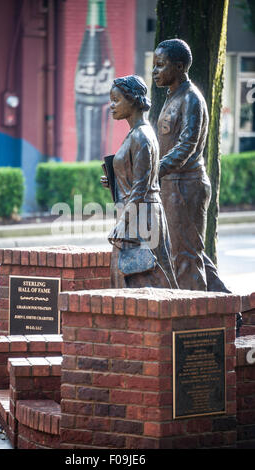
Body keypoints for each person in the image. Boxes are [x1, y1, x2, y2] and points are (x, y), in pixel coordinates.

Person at [153, 39, 242, 333]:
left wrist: (155, 170)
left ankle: (197, 330)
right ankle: (230, 310)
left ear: (179, 67)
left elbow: (187, 146)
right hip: (172, 184)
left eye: (161, 64)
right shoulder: (172, 96)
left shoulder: (191, 98)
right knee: (192, 253)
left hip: (185, 185)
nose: (155, 70)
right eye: (155, 64)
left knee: (185, 258)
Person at [100, 74, 178, 290]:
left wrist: (123, 223)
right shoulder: (136, 133)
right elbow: (138, 178)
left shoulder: (141, 136)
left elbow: (142, 187)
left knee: (146, 280)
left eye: (116, 100)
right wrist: (116, 181)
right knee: (129, 279)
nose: (112, 105)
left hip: (141, 218)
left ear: (133, 100)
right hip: (137, 214)